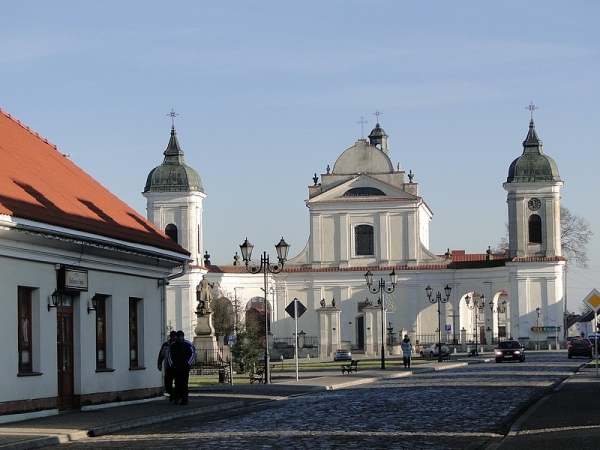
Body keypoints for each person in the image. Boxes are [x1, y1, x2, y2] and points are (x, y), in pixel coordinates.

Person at [168, 330, 196, 405]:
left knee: (184, 384)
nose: (179, 338)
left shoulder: (188, 344)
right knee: (177, 384)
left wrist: (188, 364)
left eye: (181, 336)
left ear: (183, 337)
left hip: (184, 368)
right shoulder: (173, 346)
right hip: (176, 368)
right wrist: (172, 365)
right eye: (178, 336)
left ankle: (184, 399)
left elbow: (192, 354)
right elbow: (170, 356)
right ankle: (177, 398)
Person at [157, 330, 177, 402]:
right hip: (168, 367)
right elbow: (161, 355)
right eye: (171, 336)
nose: (172, 338)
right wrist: (159, 364)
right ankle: (172, 394)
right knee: (167, 385)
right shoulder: (165, 345)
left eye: (174, 336)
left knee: (177, 384)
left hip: (177, 367)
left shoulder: (179, 345)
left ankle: (176, 397)